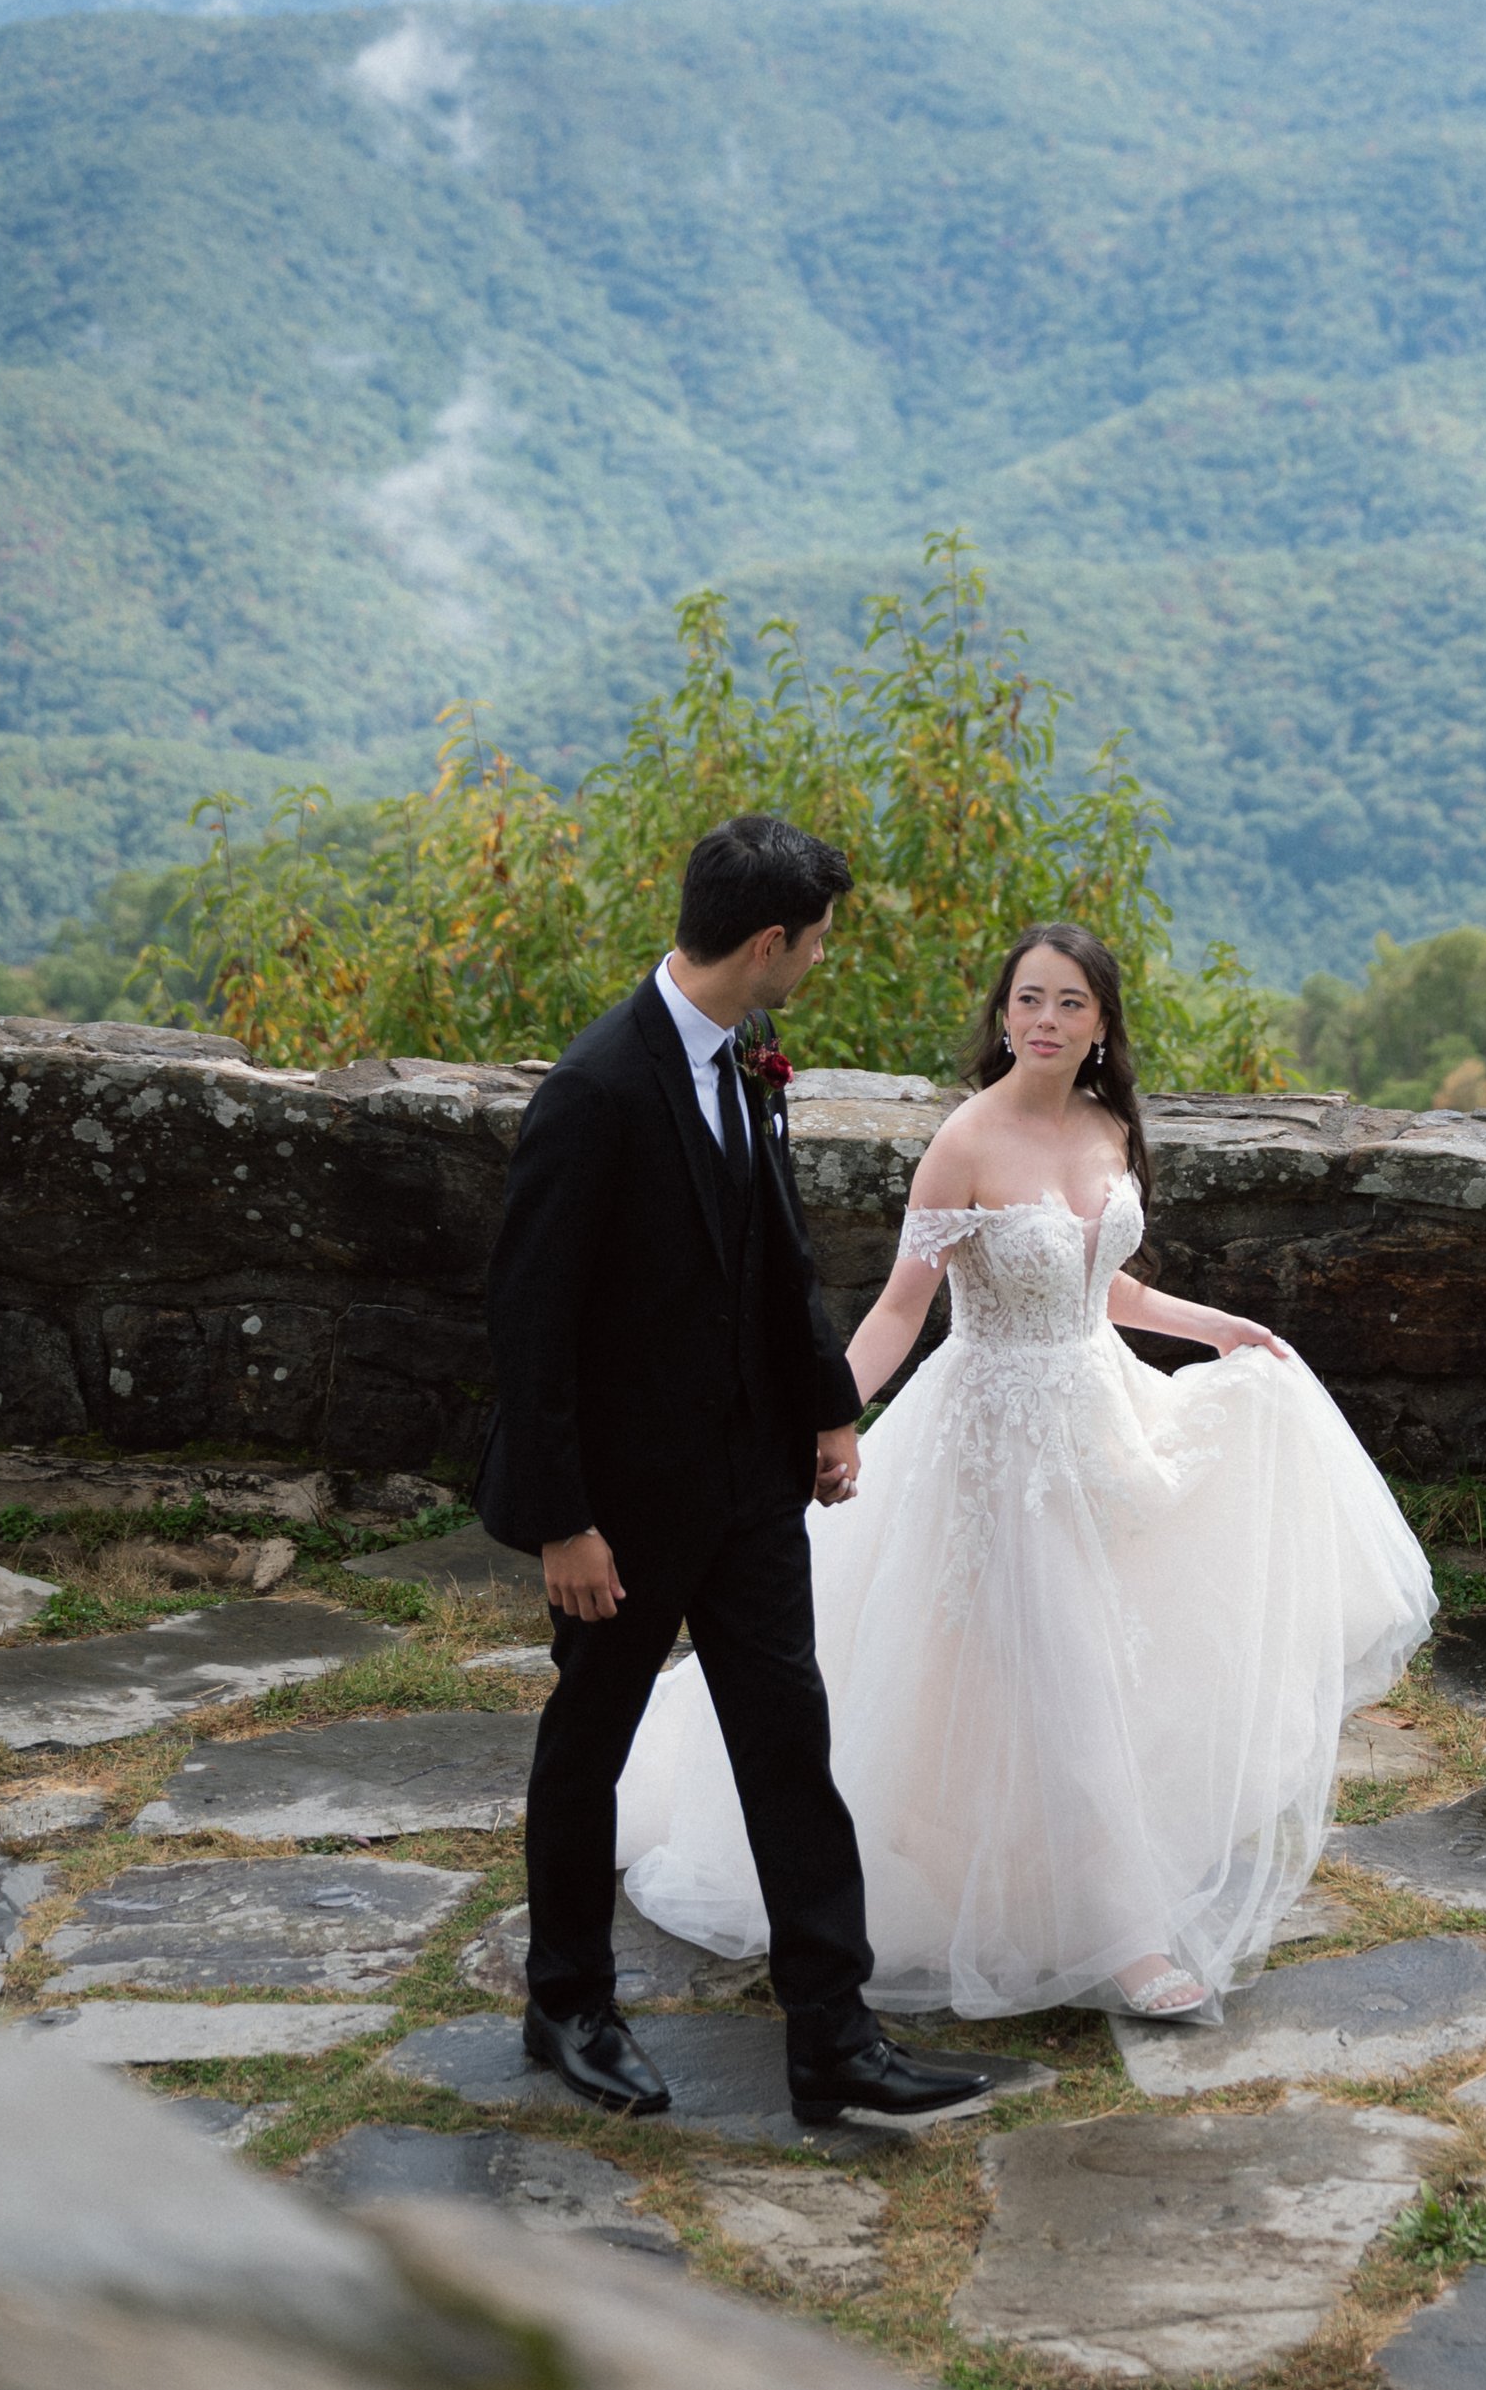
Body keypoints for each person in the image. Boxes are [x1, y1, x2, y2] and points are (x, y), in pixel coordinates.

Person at [615, 920, 1436, 2020]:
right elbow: (901, 1306)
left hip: (1100, 1415)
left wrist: (1216, 1326)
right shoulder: (964, 1141)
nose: (1045, 1020)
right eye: (1028, 999)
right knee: (1062, 1662)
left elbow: (1105, 1286)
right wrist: (827, 1411)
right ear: (1003, 1015)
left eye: (1070, 1003)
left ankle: (1041, 1861)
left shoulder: (1108, 1127)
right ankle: (1126, 1935)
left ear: (1101, 1025)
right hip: (995, 1443)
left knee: (1111, 1652)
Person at [474, 813, 998, 2127]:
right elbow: (530, 1323)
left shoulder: (744, 1059)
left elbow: (775, 1251)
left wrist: (826, 1410)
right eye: (814, 941)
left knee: (789, 1748)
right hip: (621, 1511)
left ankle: (835, 2037)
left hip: (752, 1489)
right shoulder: (595, 1089)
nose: (817, 960)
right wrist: (563, 1521)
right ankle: (567, 2005)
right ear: (767, 942)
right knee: (587, 1747)